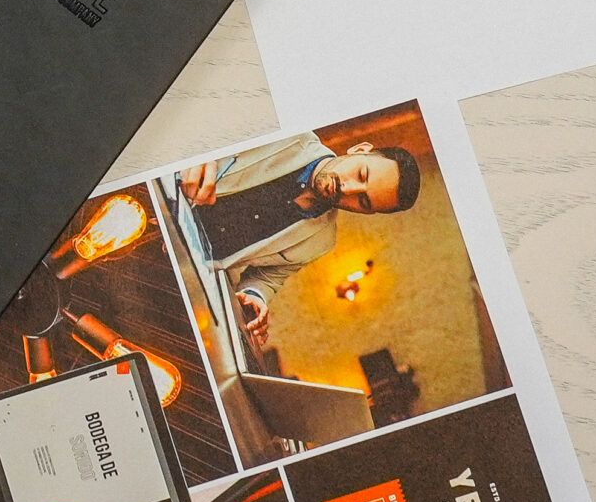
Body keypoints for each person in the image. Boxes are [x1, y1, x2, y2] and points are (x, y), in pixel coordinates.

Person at [176, 131, 421, 355]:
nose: (348, 188)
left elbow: (268, 279)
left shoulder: (321, 242)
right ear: (360, 150)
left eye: (363, 201)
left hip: (184, 271)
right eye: (361, 174)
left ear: (366, 213)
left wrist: (256, 295)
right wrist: (201, 150)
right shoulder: (288, 133)